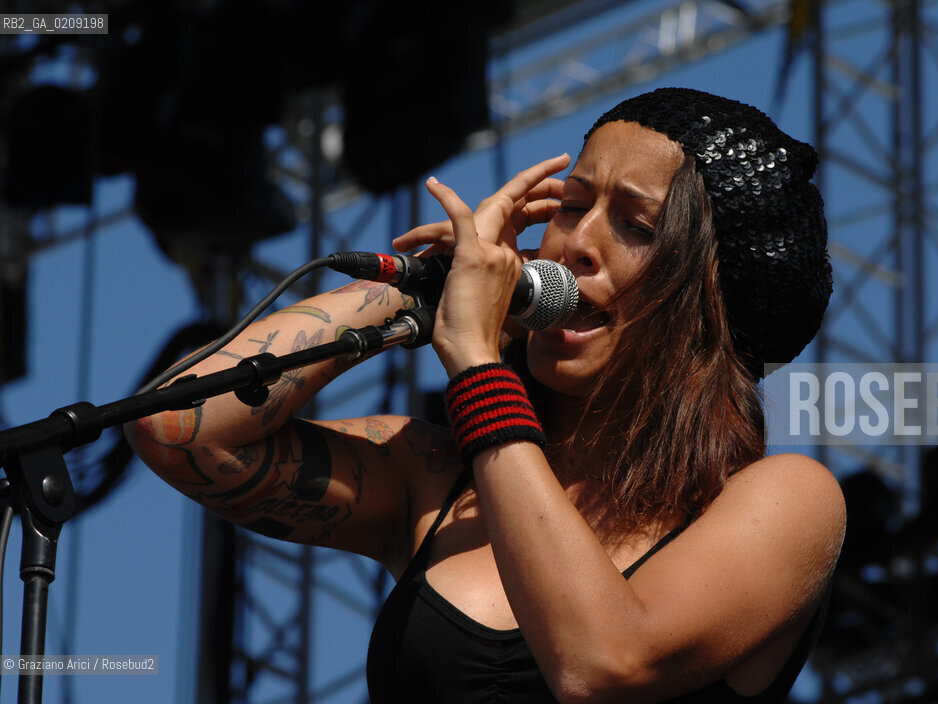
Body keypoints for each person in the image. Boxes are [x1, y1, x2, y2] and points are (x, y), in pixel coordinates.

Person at [127, 87, 845, 703]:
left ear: (712, 302)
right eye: (570, 205)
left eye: (636, 226)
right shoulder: (433, 477)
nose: (574, 244)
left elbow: (601, 662)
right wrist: (422, 284)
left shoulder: (783, 502)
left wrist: (477, 366)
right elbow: (176, 423)